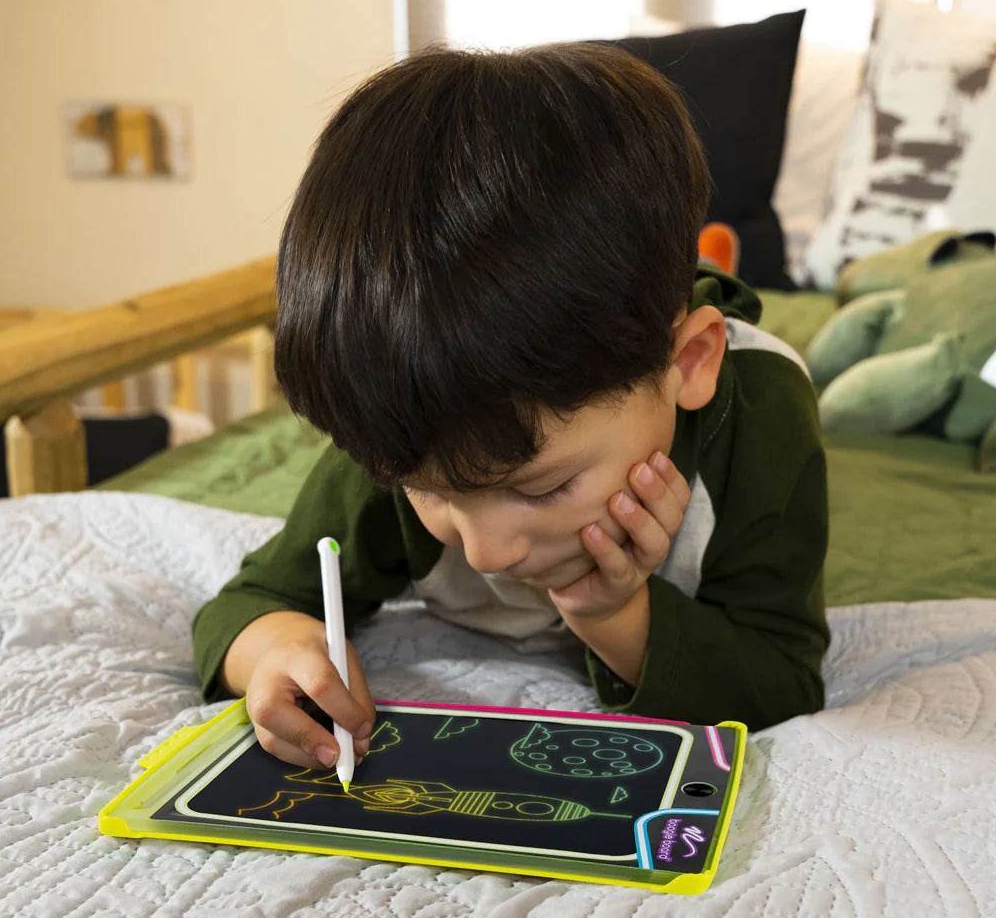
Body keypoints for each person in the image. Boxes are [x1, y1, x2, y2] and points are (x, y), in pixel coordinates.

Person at [192, 43, 829, 771]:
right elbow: (253, 602)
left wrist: (616, 615)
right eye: (431, 492)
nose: (486, 551)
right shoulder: (407, 422)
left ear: (688, 365)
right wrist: (278, 650)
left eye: (544, 486)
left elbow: (782, 677)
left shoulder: (764, 416)